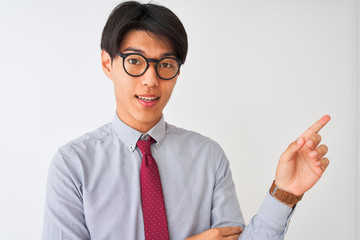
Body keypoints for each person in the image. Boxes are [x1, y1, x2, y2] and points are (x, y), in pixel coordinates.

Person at [41, 1, 330, 240]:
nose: (151, 80)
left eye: (165, 64)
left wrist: (284, 194)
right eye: (134, 61)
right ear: (108, 63)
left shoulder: (208, 156)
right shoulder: (73, 165)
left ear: (177, 72)